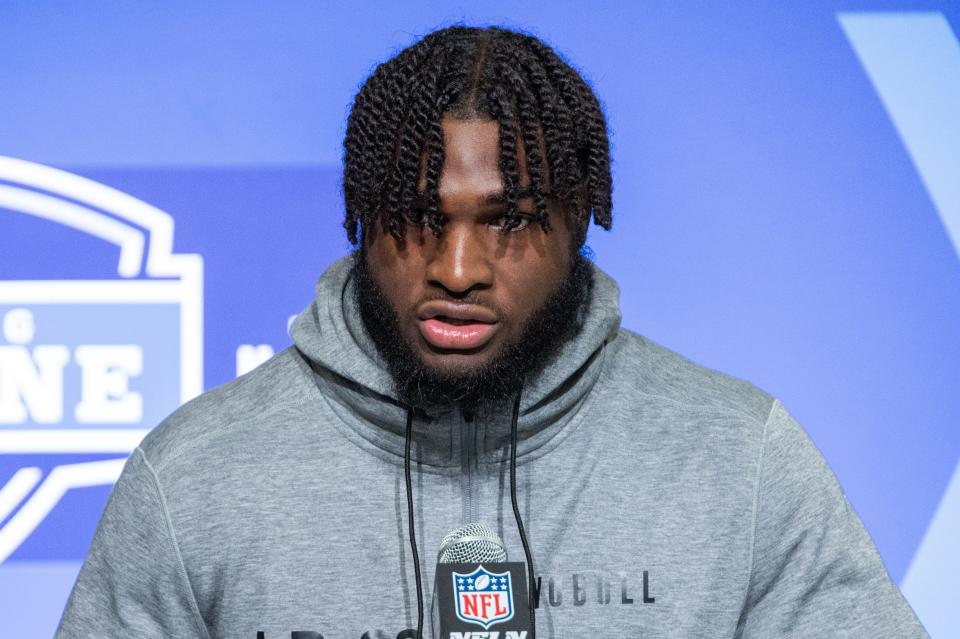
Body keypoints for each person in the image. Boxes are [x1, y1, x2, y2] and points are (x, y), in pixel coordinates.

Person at [56, 25, 928, 638]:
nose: (459, 269)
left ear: (582, 220)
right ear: (359, 216)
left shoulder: (736, 458)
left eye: (507, 220)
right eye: (417, 217)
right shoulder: (196, 476)